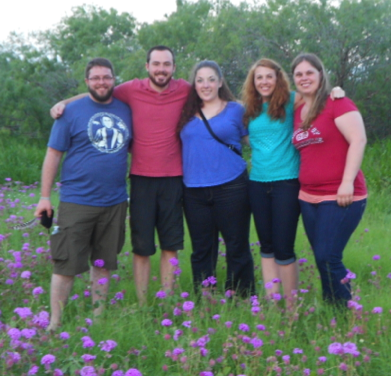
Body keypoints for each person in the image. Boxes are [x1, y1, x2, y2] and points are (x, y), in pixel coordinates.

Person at [51, 46, 190, 305]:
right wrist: (64, 103)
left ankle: (167, 301)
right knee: (142, 246)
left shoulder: (185, 90)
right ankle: (142, 302)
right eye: (156, 64)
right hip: (140, 178)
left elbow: (214, 94)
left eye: (167, 64)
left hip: (174, 178)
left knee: (170, 245)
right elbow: (97, 93)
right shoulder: (130, 89)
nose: (161, 69)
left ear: (174, 67)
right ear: (147, 66)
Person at [36, 58, 132, 328]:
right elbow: (53, 154)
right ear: (87, 82)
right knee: (65, 263)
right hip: (77, 201)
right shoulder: (70, 112)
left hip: (115, 202)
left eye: (107, 77)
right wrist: (45, 197)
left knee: (103, 264)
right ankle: (55, 323)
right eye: (96, 78)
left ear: (114, 79)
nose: (102, 82)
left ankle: (98, 319)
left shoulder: (126, 110)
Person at [241, 59, 345, 304]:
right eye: (259, 77)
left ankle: (290, 305)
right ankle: (272, 302)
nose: (264, 82)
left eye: (269, 76)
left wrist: (336, 92)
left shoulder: (291, 100)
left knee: (283, 246)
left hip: (287, 183)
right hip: (256, 183)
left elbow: (315, 93)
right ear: (253, 82)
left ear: (278, 79)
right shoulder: (249, 108)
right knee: (266, 246)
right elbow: (246, 139)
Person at [290, 53, 367, 306]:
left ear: (320, 74)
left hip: (341, 194)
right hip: (308, 196)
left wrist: (347, 182)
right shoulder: (298, 109)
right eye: (299, 74)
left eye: (309, 72)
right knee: (321, 256)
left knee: (328, 255)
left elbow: (358, 140)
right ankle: (330, 307)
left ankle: (346, 310)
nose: (304, 78)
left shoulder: (337, 103)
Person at [177, 60, 254, 295]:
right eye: (200, 80)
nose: (205, 85)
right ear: (194, 84)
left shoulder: (236, 110)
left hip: (232, 187)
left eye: (211, 79)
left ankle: (241, 297)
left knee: (237, 245)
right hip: (194, 190)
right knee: (201, 248)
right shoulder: (186, 112)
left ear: (220, 82)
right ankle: (204, 298)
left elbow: (259, 139)